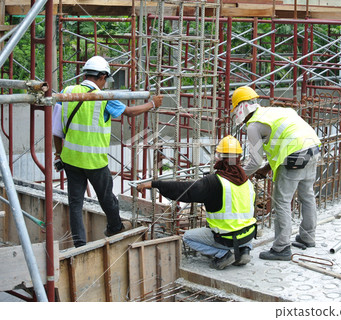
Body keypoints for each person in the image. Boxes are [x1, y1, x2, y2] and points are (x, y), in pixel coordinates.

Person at [52, 55, 163, 247]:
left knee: (76, 204)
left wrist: (59, 153)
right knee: (106, 197)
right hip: (95, 161)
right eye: (105, 80)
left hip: (70, 159)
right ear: (102, 76)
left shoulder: (66, 92)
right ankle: (115, 226)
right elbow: (129, 112)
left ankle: (79, 245)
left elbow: (56, 130)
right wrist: (152, 104)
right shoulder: (102, 97)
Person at [136, 135, 257, 270]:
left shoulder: (214, 182)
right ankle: (244, 250)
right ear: (239, 158)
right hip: (248, 234)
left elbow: (185, 190)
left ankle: (224, 254)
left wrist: (154, 184)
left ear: (220, 158)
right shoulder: (247, 181)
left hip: (226, 237)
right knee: (242, 227)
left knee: (188, 237)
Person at [231, 86, 321, 261]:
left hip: (295, 156)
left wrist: (239, 176)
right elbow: (283, 140)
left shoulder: (253, 126)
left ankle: (281, 248)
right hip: (313, 148)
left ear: (240, 108)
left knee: (281, 201)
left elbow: (254, 161)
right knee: (307, 195)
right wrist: (266, 169)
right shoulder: (274, 111)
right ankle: (307, 237)